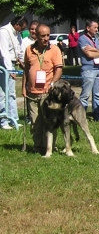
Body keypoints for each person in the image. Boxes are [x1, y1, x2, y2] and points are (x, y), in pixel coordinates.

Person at [21, 24, 63, 152]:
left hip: (47, 92)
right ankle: (38, 146)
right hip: (32, 92)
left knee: (49, 122)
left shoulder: (54, 49)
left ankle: (50, 147)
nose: (46, 38)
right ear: (36, 36)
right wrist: (24, 87)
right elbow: (26, 69)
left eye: (48, 35)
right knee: (35, 123)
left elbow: (59, 70)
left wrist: (52, 84)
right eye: (42, 36)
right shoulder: (29, 49)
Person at [0, 16, 28, 129]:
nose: (22, 30)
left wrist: (23, 63)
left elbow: (19, 49)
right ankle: (3, 121)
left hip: (13, 63)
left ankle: (13, 119)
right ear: (17, 24)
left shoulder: (17, 34)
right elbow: (4, 53)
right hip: (4, 65)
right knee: (3, 93)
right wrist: (9, 70)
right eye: (22, 28)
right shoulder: (4, 32)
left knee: (11, 93)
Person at [78, 20, 99, 122]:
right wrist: (98, 52)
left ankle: (98, 117)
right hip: (88, 70)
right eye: (94, 27)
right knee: (85, 95)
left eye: (97, 27)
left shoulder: (96, 39)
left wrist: (94, 49)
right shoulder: (82, 39)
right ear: (88, 28)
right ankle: (81, 117)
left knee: (98, 94)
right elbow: (89, 55)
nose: (96, 29)